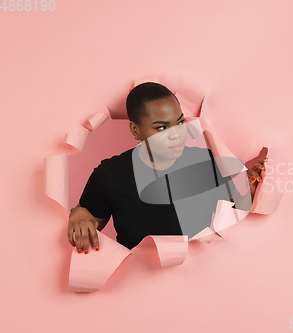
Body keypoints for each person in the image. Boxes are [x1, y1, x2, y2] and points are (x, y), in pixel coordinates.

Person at [67, 82, 266, 253]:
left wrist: (248, 191)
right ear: (136, 130)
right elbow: (89, 229)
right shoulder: (110, 175)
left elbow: (232, 216)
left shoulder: (208, 162)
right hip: (135, 289)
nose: (177, 134)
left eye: (180, 122)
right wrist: (79, 214)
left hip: (201, 284)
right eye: (161, 127)